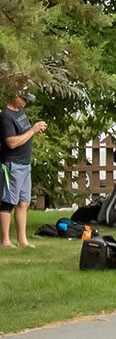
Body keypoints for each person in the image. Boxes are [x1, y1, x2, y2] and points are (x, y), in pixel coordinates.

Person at [1, 90, 46, 249]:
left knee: (24, 202)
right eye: (24, 99)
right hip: (12, 164)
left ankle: (22, 240)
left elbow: (25, 134)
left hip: (25, 164)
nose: (26, 103)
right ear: (15, 96)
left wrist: (36, 129)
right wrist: (32, 131)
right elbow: (11, 142)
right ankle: (5, 241)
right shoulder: (6, 116)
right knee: (8, 202)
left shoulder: (20, 112)